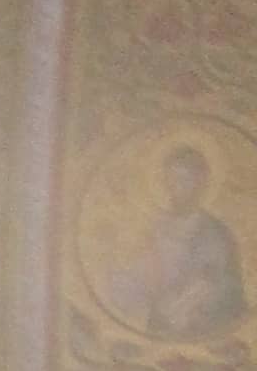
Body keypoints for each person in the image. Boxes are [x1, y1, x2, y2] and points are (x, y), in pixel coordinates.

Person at [106, 144, 247, 345]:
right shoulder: (156, 227)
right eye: (172, 179)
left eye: (185, 180)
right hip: (161, 328)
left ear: (201, 183)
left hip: (205, 330)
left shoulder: (215, 233)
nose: (176, 187)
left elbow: (221, 286)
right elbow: (144, 272)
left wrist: (185, 305)